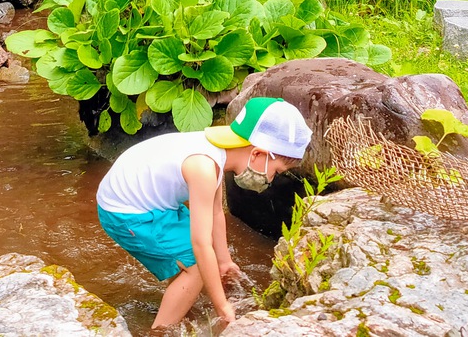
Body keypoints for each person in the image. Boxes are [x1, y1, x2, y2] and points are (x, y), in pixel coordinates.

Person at [96, 96, 312, 330]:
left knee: (196, 257)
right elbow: (200, 245)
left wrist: (224, 261)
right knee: (197, 264)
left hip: (146, 199)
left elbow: (216, 212)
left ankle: (180, 296)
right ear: (258, 154)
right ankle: (160, 331)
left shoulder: (216, 151)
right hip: (125, 212)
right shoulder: (203, 168)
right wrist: (222, 306)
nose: (271, 179)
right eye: (277, 171)